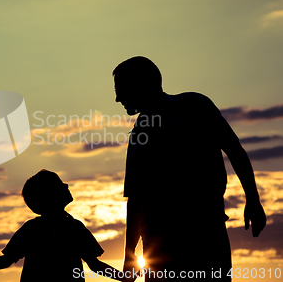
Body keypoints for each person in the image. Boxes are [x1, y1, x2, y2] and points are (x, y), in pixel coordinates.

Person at [113, 56, 267, 281]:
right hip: (158, 250)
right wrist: (129, 254)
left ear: (142, 84)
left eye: (121, 89)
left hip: (204, 237)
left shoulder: (194, 106)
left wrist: (253, 200)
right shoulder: (137, 135)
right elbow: (136, 199)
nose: (117, 98)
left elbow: (234, 149)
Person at [0, 169, 123, 281]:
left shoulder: (33, 229)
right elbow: (94, 264)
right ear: (49, 196)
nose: (66, 186)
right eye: (60, 184)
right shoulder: (74, 228)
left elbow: (5, 260)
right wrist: (124, 278)